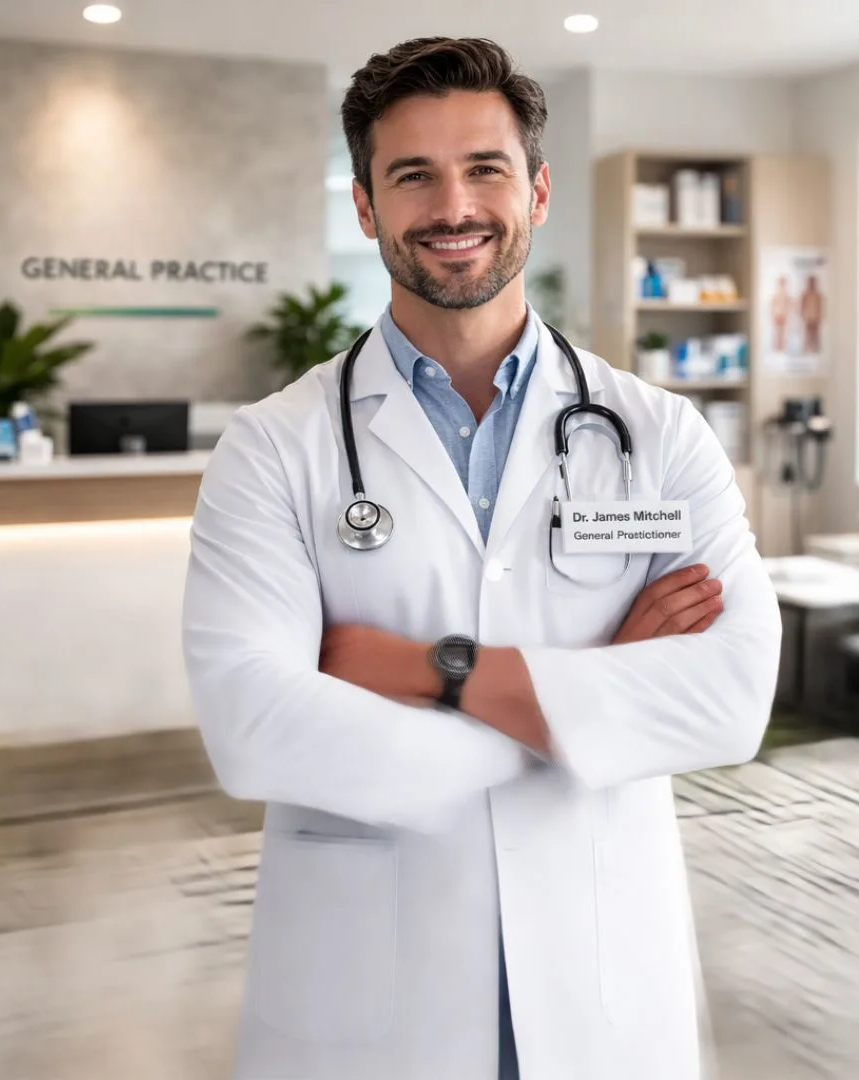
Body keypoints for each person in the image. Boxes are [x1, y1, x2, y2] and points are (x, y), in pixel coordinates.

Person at [181, 36, 782, 1080]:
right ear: (367, 207)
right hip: (369, 986)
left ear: (537, 190)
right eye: (411, 174)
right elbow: (252, 725)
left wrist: (426, 671)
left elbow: (729, 700)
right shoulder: (274, 446)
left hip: (599, 963)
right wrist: (587, 701)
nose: (452, 205)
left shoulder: (659, 433)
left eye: (485, 169)